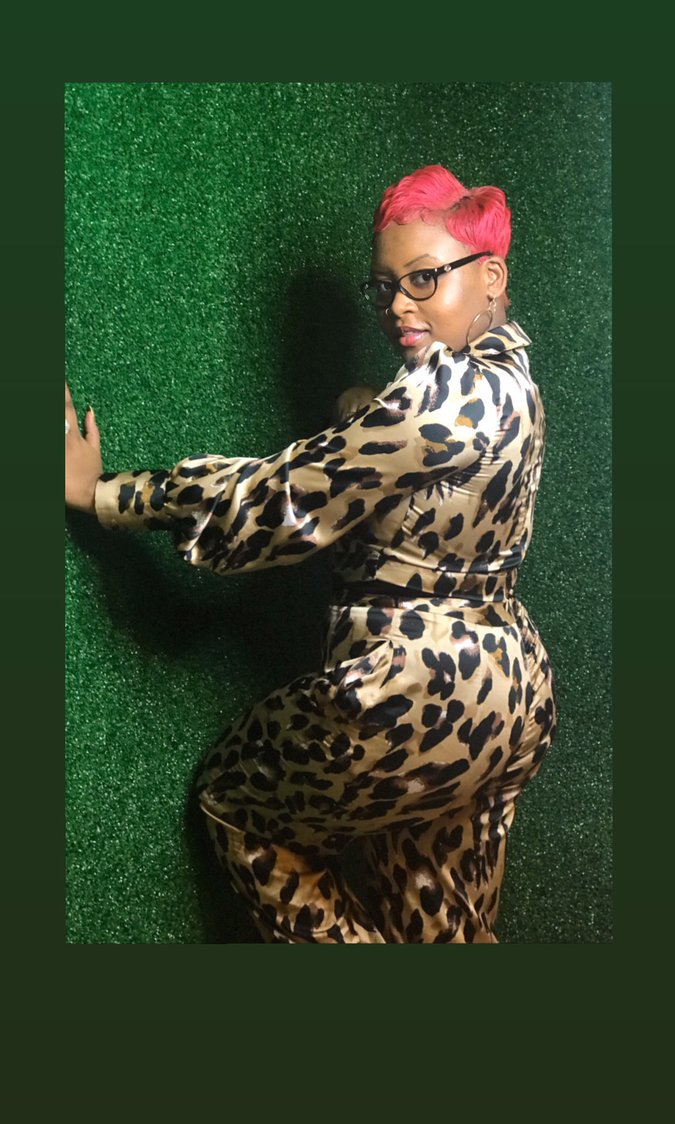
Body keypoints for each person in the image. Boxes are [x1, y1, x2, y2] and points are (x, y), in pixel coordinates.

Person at [66, 163, 557, 944]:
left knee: (237, 804)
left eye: (423, 279)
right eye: (384, 287)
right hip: (509, 690)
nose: (398, 305)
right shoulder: (511, 380)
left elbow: (281, 496)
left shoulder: (442, 396)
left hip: (418, 687)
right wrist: (358, 406)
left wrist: (106, 495)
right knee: (440, 926)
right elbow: (416, 454)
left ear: (489, 277)